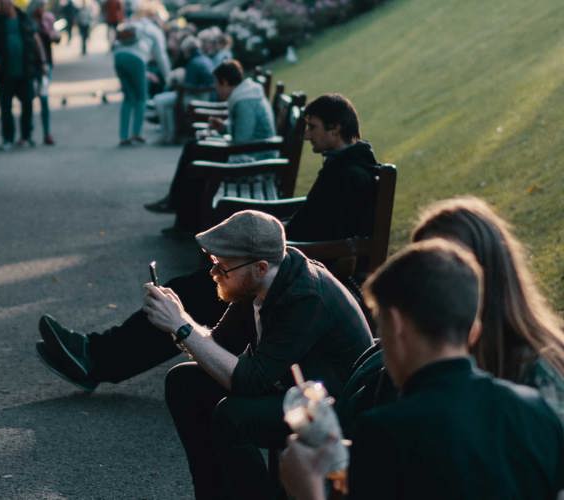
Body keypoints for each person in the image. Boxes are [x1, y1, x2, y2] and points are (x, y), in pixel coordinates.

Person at [36, 93, 381, 391]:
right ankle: (96, 354)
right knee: (188, 291)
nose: (307, 135)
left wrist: (255, 255)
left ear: (336, 129)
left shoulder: (350, 175)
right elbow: (313, 228)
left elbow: (337, 248)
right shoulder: (344, 166)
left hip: (285, 277)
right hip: (281, 264)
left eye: (313, 127)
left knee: (188, 296)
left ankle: (95, 358)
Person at [279, 239, 564, 500]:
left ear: (396, 324)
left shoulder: (385, 433)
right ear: (474, 332)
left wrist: (308, 490)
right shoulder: (535, 411)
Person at [144, 211, 372, 499]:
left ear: (260, 267)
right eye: (213, 263)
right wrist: (178, 320)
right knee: (184, 381)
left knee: (234, 416)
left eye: (223, 267)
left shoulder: (305, 298)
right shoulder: (261, 281)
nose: (213, 273)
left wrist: (182, 326)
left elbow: (249, 381)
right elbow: (219, 345)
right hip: (293, 388)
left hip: (330, 406)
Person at [411, 197, 564, 421]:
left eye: (454, 269)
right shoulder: (428, 362)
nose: (434, 286)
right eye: (424, 272)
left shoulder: (538, 373)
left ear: (492, 276)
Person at [145, 59, 277, 233]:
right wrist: (222, 128)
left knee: (197, 158)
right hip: (253, 155)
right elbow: (242, 135)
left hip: (256, 164)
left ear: (225, 82)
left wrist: (219, 136)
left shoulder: (245, 101)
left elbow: (241, 141)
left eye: (216, 83)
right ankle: (180, 212)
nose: (215, 88)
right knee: (194, 149)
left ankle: (183, 218)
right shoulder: (245, 94)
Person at [0, 0, 47, 150]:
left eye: (3, 2)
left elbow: (37, 40)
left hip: (25, 71)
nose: (1, 6)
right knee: (6, 108)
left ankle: (26, 136)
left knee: (27, 104)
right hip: (4, 73)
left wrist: (42, 61)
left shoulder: (24, 19)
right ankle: (7, 138)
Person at [152, 36, 214, 144]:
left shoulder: (194, 62)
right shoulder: (205, 59)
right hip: (205, 95)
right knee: (165, 104)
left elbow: (190, 87)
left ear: (187, 50)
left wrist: (178, 84)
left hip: (196, 97)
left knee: (161, 101)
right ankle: (169, 134)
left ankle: (167, 134)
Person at [28, 0, 61, 146]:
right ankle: (27, 133)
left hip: (46, 65)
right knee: (28, 99)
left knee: (44, 99)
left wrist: (52, 32)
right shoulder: (27, 22)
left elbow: (56, 38)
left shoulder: (47, 21)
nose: (43, 9)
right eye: (41, 6)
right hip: (31, 66)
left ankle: (47, 133)